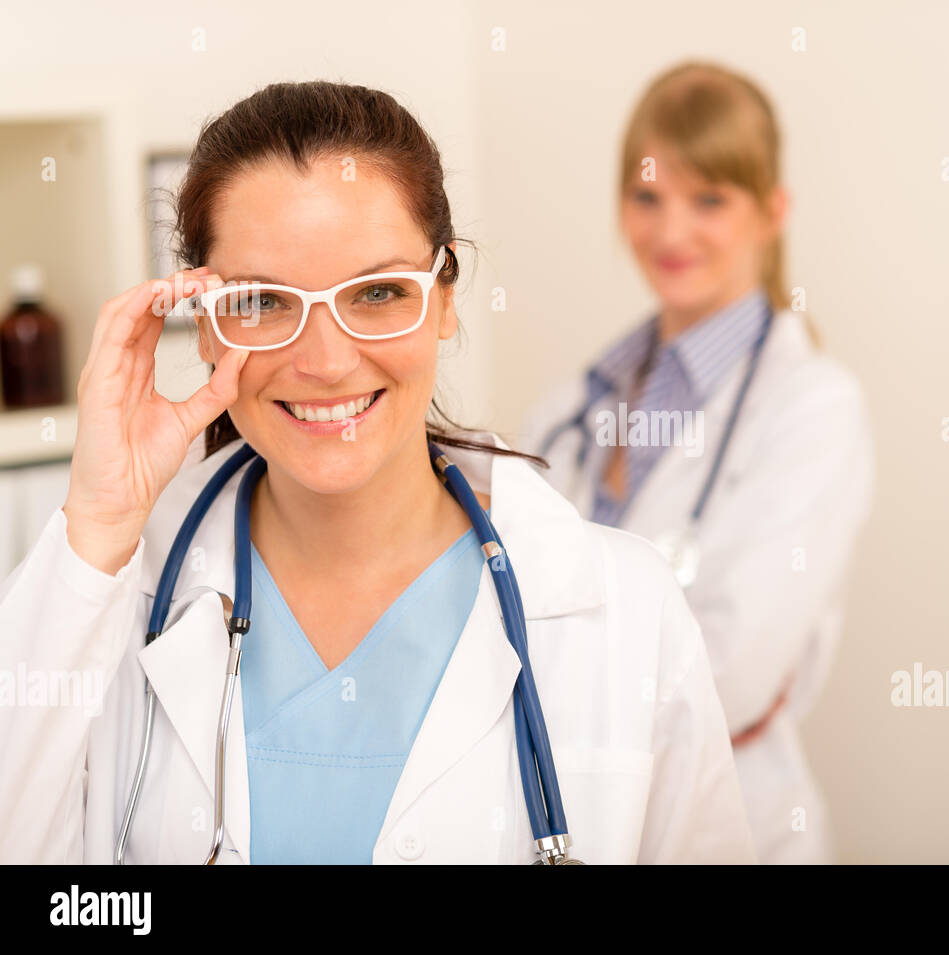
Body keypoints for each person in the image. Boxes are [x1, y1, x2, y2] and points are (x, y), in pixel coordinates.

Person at [0, 80, 755, 865]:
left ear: (444, 296)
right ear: (209, 323)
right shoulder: (111, 599)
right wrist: (97, 525)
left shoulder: (625, 608)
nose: (325, 361)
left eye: (379, 291)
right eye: (263, 300)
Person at [521, 62, 872, 864]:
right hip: (577, 817)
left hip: (728, 819)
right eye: (647, 197)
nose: (670, 231)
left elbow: (733, 674)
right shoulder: (578, 401)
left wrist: (535, 684)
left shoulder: (812, 407)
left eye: (709, 198)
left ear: (771, 211)